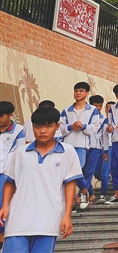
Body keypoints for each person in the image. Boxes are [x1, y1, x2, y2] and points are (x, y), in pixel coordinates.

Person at [0, 106, 81, 253]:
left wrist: (67, 215)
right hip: (17, 219)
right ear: (33, 127)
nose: (42, 131)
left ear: (57, 126)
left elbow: (70, 184)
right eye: (38, 127)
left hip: (49, 220)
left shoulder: (67, 152)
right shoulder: (20, 153)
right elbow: (10, 182)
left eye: (48, 126)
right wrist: (5, 206)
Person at [59, 81, 101, 211]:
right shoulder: (66, 110)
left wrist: (82, 126)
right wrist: (71, 126)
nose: (78, 93)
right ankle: (81, 193)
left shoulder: (92, 110)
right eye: (76, 91)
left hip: (82, 145)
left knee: (78, 169)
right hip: (67, 145)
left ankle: (82, 192)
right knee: (67, 172)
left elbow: (94, 127)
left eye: (81, 91)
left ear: (87, 93)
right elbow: (60, 128)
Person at [0, 102, 24, 250]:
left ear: (10, 115)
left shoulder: (18, 131)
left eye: (1, 116)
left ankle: (4, 240)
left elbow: (21, 153)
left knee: (4, 208)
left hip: (6, 175)